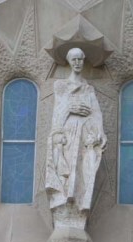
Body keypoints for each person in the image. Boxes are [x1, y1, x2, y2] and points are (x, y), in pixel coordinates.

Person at [45, 47, 106, 216]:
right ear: (69, 61)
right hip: (68, 132)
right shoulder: (61, 85)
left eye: (80, 59)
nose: (77, 63)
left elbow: (96, 112)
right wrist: (69, 108)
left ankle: (79, 203)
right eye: (74, 59)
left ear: (83, 60)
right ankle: (64, 203)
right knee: (66, 167)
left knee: (83, 170)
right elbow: (58, 111)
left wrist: (100, 131)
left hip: (85, 133)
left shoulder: (88, 88)